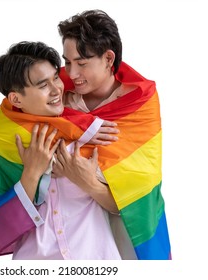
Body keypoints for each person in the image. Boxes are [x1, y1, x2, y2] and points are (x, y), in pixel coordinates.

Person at [0, 41, 122, 260]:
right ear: (16, 98)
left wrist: (85, 180)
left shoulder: (92, 130)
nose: (56, 90)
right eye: (43, 85)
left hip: (97, 260)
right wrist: (31, 173)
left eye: (56, 78)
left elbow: (130, 206)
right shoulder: (1, 143)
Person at [54, 9, 172, 260]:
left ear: (109, 58)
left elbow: (136, 199)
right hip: (65, 238)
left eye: (82, 63)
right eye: (67, 62)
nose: (72, 73)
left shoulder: (139, 104)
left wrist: (85, 180)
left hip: (123, 240)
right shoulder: (55, 96)